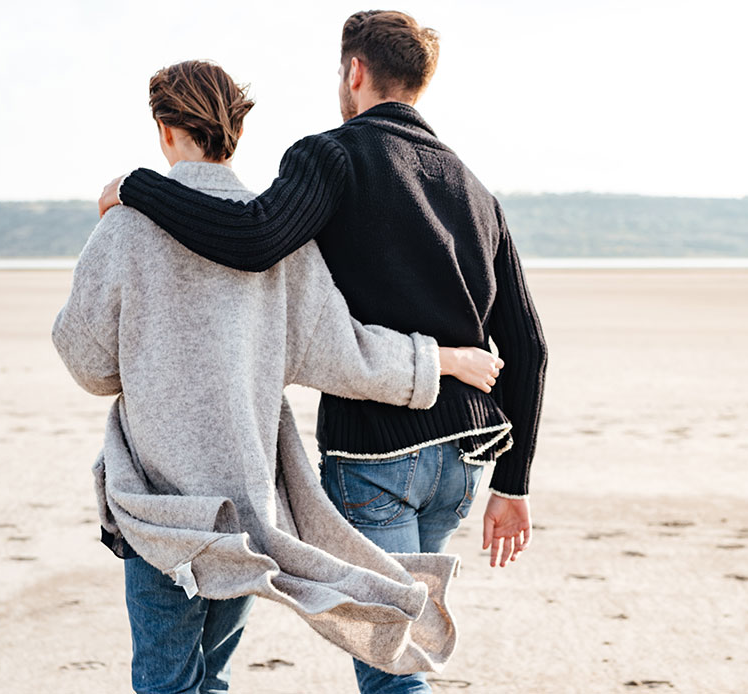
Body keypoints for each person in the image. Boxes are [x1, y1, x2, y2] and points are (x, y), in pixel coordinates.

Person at [98, 11, 548, 694]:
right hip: (465, 463)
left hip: (382, 454)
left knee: (392, 664)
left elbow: (252, 237)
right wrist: (513, 482)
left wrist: (138, 188)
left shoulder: (331, 155)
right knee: (406, 637)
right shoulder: (475, 190)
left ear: (355, 71)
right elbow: (530, 344)